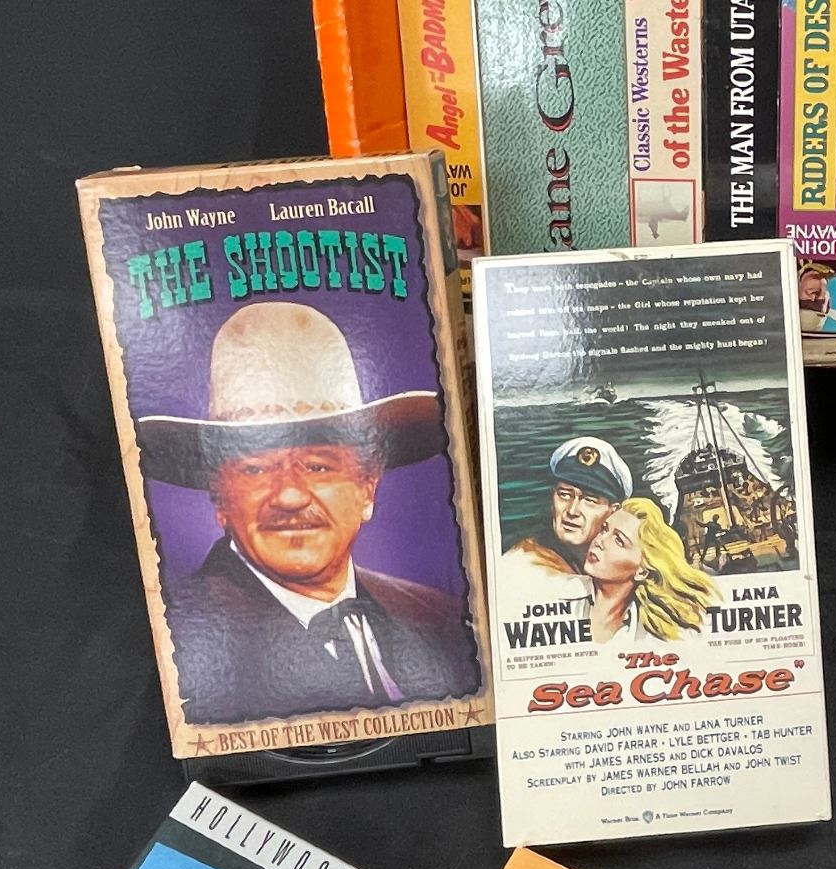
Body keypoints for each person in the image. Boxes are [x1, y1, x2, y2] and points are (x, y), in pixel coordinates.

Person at [138, 302, 480, 724]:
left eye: (318, 467)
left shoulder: (441, 617)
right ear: (220, 497)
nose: (289, 496)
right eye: (255, 468)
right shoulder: (174, 642)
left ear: (368, 486)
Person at [578, 497, 719, 645]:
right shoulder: (565, 592)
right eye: (604, 529)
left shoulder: (653, 634)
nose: (599, 541)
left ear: (642, 571)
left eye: (619, 540)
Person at [506, 437, 633, 575]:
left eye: (590, 500)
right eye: (565, 495)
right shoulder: (524, 563)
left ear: (613, 512)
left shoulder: (615, 567)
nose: (572, 511)